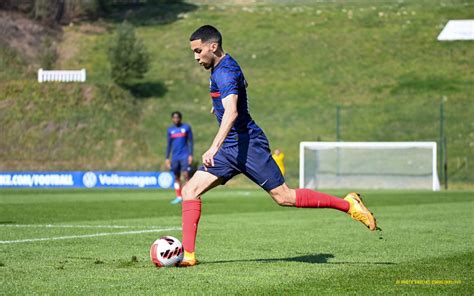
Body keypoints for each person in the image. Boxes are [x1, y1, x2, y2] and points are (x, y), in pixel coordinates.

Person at [179, 25, 377, 266]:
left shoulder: (225, 72)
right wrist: (219, 106)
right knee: (190, 191)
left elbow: (231, 112)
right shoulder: (226, 66)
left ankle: (349, 205)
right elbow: (240, 89)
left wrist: (212, 147)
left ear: (213, 46)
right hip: (229, 149)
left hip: (248, 145)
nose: (196, 57)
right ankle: (188, 257)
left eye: (198, 51)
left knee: (284, 197)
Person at [165, 111, 193, 204]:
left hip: (184, 155)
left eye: (177, 117)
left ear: (180, 118)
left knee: (186, 175)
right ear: (172, 119)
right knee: (176, 176)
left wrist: (190, 155)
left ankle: (189, 195)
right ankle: (178, 197)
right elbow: (169, 145)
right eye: (174, 118)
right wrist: (167, 158)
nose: (176, 119)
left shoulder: (186, 128)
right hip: (175, 157)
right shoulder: (170, 130)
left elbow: (190, 142)